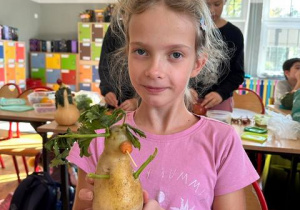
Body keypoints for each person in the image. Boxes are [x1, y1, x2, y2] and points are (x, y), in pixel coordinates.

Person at [68, 0, 259, 209]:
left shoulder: (221, 143)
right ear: (127, 54)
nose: (154, 71)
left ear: (197, 63)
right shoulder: (100, 137)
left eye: (175, 54)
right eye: (141, 51)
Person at [190, 0, 245, 112]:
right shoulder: (190, 29)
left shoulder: (234, 34)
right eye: (206, 5)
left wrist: (221, 93)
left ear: (224, 2)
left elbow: (237, 74)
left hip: (220, 102)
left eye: (217, 4)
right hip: (188, 98)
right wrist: (186, 88)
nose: (211, 10)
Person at [98, 23, 138, 111]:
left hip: (142, 109)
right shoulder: (114, 29)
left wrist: (138, 101)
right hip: (116, 105)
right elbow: (104, 65)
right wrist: (108, 91)